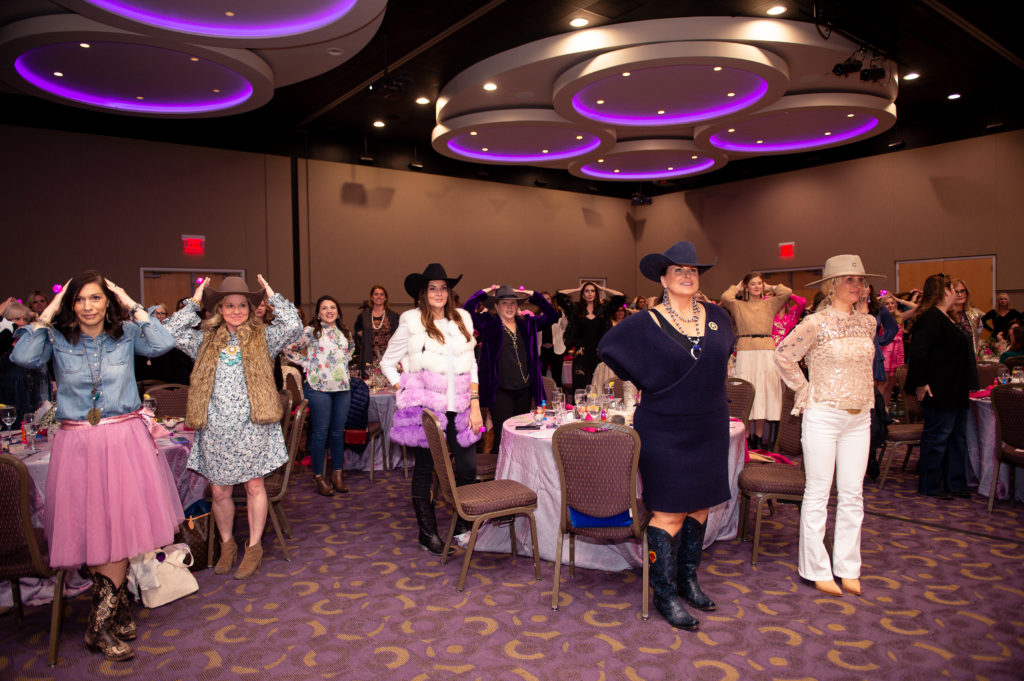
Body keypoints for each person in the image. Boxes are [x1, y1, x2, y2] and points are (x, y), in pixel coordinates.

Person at [11, 272, 181, 661]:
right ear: (72, 305)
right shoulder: (55, 339)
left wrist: (127, 299)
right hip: (78, 443)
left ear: (107, 303)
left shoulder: (124, 336)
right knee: (96, 526)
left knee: (119, 527)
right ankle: (111, 613)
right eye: (80, 300)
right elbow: (21, 357)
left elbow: (164, 340)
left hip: (123, 440)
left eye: (96, 298)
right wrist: (50, 309)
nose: (88, 306)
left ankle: (103, 620)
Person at [599, 242, 735, 631]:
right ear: (663, 279)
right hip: (664, 427)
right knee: (669, 511)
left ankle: (687, 580)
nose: (688, 276)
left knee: (701, 506)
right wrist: (652, 382)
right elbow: (608, 348)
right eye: (679, 270)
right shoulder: (646, 321)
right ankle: (664, 594)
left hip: (709, 424)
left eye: (693, 270)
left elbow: (718, 359)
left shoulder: (719, 317)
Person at [165, 275, 301, 579]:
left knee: (255, 486)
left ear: (251, 308)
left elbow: (294, 326)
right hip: (216, 428)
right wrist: (195, 299)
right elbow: (169, 332)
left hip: (254, 426)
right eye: (229, 305)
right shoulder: (204, 340)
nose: (237, 310)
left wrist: (271, 293)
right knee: (220, 490)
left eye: (242, 305)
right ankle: (228, 545)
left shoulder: (263, 337)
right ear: (219, 308)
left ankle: (253, 546)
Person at [775, 255, 881, 597]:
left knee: (853, 494)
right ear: (832, 285)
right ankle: (816, 567)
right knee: (818, 492)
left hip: (860, 415)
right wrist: (805, 389)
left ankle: (848, 566)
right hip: (823, 414)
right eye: (850, 279)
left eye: (860, 280)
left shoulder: (868, 323)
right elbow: (783, 355)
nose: (858, 285)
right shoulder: (815, 323)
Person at [381, 263, 482, 555]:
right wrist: (405, 388)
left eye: (443, 288)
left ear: (449, 292)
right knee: (426, 471)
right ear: (423, 294)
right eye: (432, 288)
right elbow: (388, 362)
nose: (438, 293)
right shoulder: (411, 322)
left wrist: (475, 403)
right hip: (427, 412)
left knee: (466, 467)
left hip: (462, 408)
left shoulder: (463, 318)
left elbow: (472, 364)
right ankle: (427, 534)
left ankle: (463, 525)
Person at [904, 273, 979, 500]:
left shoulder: (946, 317)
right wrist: (922, 382)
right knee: (938, 437)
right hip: (939, 388)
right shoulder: (930, 318)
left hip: (955, 388)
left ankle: (955, 484)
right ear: (942, 291)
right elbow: (918, 353)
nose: (955, 293)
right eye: (951, 288)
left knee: (957, 438)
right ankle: (931, 484)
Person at [462, 285, 559, 451]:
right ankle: (499, 473)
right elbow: (466, 311)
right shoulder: (489, 324)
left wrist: (532, 294)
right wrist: (484, 292)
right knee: (503, 435)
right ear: (496, 306)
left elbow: (553, 315)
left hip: (524, 389)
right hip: (500, 391)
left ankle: (515, 472)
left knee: (520, 434)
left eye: (513, 303)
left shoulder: (527, 324)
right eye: (505, 303)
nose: (509, 307)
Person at [285, 295, 353, 497]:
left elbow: (350, 351)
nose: (329, 311)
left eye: (333, 307)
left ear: (338, 311)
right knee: (321, 432)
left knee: (338, 432)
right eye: (325, 308)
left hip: (342, 387)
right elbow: (289, 348)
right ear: (318, 313)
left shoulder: (345, 332)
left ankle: (337, 474)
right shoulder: (310, 331)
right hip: (318, 387)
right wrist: (307, 363)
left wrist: (340, 366)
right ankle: (318, 476)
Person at [720, 272, 793, 448]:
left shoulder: (770, 303)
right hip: (746, 350)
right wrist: (737, 287)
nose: (756, 287)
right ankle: (746, 438)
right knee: (749, 390)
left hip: (766, 350)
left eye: (759, 283)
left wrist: (771, 288)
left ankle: (759, 438)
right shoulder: (739, 306)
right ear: (746, 287)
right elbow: (725, 297)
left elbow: (787, 292)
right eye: (752, 284)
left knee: (764, 392)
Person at [556, 281, 625, 395]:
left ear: (596, 294)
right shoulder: (576, 309)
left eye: (592, 291)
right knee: (579, 383)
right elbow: (559, 295)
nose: (590, 293)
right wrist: (578, 288)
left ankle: (597, 409)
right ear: (583, 294)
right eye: (586, 291)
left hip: (598, 351)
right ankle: (578, 409)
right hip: (581, 351)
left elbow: (620, 296)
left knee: (598, 383)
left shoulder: (603, 310)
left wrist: (602, 287)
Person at [354, 285, 400, 375]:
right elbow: (356, 331)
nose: (379, 296)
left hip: (388, 356)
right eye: (376, 294)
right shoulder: (364, 316)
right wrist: (364, 337)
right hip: (370, 356)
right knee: (371, 383)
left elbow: (399, 336)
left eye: (382, 294)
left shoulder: (393, 316)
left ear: (385, 298)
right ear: (371, 297)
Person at [878, 293, 905, 409]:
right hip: (885, 353)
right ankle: (879, 411)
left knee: (892, 385)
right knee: (884, 383)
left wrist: (899, 300)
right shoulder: (879, 318)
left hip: (897, 353)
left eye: (892, 303)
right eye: (887, 303)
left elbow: (916, 308)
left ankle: (886, 409)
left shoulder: (900, 318)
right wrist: (877, 301)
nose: (890, 305)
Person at [537, 291, 567, 383]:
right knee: (541, 378)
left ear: (551, 301)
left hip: (556, 350)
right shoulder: (536, 316)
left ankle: (558, 396)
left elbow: (565, 327)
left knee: (557, 377)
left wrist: (563, 312)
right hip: (541, 351)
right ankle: (542, 397)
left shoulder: (559, 314)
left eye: (548, 299)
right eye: (543, 299)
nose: (546, 301)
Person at [949, 279, 984, 356]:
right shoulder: (944, 314)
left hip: (970, 358)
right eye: (956, 292)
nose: (960, 295)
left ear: (966, 293)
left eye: (962, 291)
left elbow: (976, 339)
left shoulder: (975, 315)